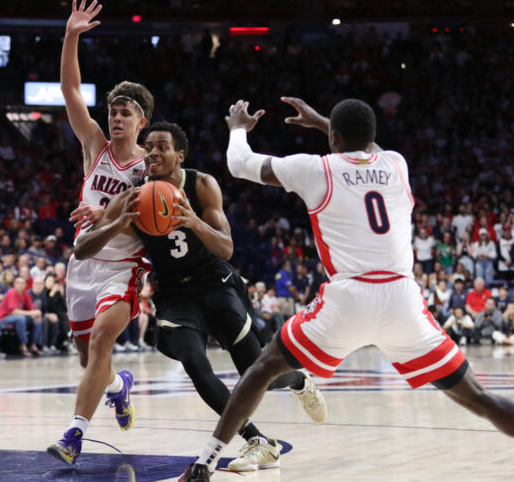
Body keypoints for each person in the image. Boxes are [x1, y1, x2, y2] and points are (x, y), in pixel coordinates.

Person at [177, 98, 514, 481]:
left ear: (333, 138)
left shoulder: (316, 168)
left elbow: (239, 164)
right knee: (479, 398)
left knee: (262, 369)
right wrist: (325, 123)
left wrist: (237, 126)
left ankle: (205, 461)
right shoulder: (396, 164)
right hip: (402, 300)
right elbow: (366, 146)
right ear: (370, 135)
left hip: (349, 300)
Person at [74, 121, 327, 472]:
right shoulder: (133, 196)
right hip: (175, 292)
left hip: (215, 282)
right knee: (194, 361)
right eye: (148, 147)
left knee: (258, 372)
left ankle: (298, 380)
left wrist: (193, 221)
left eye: (161, 146)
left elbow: (226, 248)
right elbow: (82, 249)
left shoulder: (202, 184)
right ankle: (257, 441)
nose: (152, 153)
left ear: (179, 155)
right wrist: (116, 224)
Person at [47, 0, 155, 466]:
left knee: (99, 344)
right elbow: (71, 91)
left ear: (142, 122)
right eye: (112, 110)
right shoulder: (95, 145)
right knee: (88, 362)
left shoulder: (151, 168)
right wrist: (71, 34)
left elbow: (150, 215)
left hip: (124, 269)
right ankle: (118, 386)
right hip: (82, 264)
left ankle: (74, 435)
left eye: (125, 112)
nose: (115, 117)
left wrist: (109, 216)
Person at [0, 276, 38, 357]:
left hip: (17, 318)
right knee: (21, 318)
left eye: (22, 283)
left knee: (35, 320)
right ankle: (23, 345)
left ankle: (34, 344)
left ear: (26, 285)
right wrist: (32, 313)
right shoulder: (12, 292)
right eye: (18, 283)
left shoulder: (25, 293)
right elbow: (14, 312)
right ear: (14, 284)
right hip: (4, 317)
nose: (20, 285)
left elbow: (32, 309)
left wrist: (35, 314)